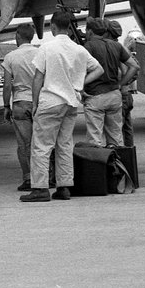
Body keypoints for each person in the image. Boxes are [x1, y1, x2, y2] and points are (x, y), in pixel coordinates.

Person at [19, 12, 103, 203]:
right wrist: (79, 84)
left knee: (41, 146)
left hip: (51, 101)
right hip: (71, 103)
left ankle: (40, 188)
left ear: (53, 27)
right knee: (64, 144)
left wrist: (34, 103)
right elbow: (98, 69)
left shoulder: (47, 48)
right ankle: (64, 186)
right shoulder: (79, 49)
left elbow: (38, 77)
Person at [81, 17, 139, 148]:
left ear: (90, 31)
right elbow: (134, 66)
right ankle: (118, 165)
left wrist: (81, 88)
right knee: (116, 138)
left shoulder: (88, 46)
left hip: (95, 95)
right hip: (114, 95)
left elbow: (81, 70)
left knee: (94, 140)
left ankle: (98, 167)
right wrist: (121, 84)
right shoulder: (116, 46)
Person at [0, 24, 38, 191]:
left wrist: (5, 105)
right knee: (43, 142)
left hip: (20, 103)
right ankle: (48, 176)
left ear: (17, 36)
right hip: (40, 101)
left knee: (24, 144)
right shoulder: (41, 53)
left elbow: (7, 85)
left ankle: (28, 178)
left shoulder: (10, 57)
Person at [108, 18, 144, 147]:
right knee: (127, 128)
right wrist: (127, 83)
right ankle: (129, 156)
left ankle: (118, 158)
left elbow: (132, 69)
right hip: (127, 95)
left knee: (116, 129)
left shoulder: (113, 49)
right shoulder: (124, 50)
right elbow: (136, 70)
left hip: (120, 94)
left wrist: (120, 84)